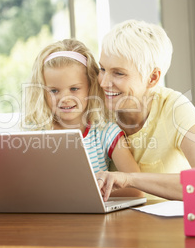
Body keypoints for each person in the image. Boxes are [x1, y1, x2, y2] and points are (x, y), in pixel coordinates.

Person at [95, 20, 195, 201]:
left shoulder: (175, 108)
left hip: (168, 226)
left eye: (119, 73)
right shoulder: (98, 111)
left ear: (152, 78)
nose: (103, 82)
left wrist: (130, 179)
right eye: (102, 69)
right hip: (117, 225)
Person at [23, 39, 141, 183]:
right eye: (54, 91)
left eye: (74, 89)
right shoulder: (33, 132)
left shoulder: (105, 132)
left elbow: (137, 186)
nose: (65, 98)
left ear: (90, 87)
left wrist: (92, 191)